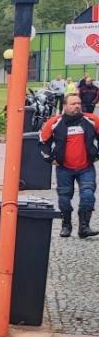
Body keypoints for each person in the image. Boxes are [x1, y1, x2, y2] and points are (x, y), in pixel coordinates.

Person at [40, 94, 99, 238]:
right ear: (64, 106)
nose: (77, 106)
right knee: (64, 198)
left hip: (86, 167)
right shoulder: (54, 122)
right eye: (73, 104)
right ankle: (66, 225)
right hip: (64, 168)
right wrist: (49, 159)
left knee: (88, 195)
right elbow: (42, 142)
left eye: (78, 103)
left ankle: (84, 227)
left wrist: (97, 155)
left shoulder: (92, 120)